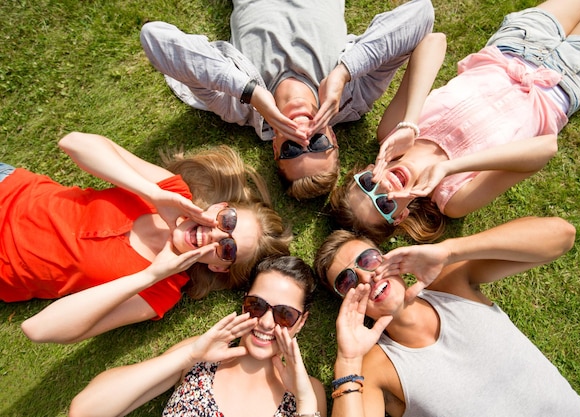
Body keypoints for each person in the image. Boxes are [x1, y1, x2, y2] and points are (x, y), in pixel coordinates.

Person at [330, 0, 580, 243]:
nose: (385, 187)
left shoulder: (392, 132)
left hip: (517, 42)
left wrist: (410, 124)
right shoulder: (453, 198)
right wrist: (448, 167)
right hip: (566, 82)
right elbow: (546, 148)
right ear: (401, 216)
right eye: (384, 205)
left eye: (369, 184)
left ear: (367, 170)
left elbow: (433, 42)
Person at [1, 132, 292, 343]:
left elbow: (40, 329)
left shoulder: (159, 290)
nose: (214, 235)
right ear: (219, 207)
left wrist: (149, 275)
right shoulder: (171, 191)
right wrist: (151, 191)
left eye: (227, 249)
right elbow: (73, 143)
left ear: (219, 267)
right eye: (227, 221)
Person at [139, 0, 436, 199]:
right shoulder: (353, 98)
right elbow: (421, 13)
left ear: (274, 149)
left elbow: (155, 38)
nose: (303, 134)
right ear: (333, 136)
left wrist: (251, 92)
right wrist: (343, 73)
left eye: (293, 149)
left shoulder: (236, 107)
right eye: (318, 144)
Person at [313, 216, 580, 416]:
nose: (366, 276)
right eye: (347, 281)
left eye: (367, 260)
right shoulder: (376, 368)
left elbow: (562, 235)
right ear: (347, 302)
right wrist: (348, 360)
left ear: (389, 256)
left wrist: (448, 251)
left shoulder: (451, 284)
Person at [69, 255, 326, 417]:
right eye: (257, 306)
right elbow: (84, 410)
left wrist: (303, 399)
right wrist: (189, 355)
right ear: (244, 302)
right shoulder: (202, 354)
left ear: (301, 322)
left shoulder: (307, 390)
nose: (266, 322)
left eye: (284, 315)